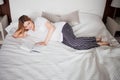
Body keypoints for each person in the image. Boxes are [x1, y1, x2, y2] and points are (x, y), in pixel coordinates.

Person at [13, 15, 110, 50]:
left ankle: (95, 38)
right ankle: (98, 43)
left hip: (62, 28)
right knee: (76, 47)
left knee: (74, 42)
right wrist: (21, 27)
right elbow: (15, 36)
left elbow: (51, 28)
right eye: (26, 26)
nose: (28, 26)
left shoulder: (39, 20)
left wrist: (45, 42)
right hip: (60, 38)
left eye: (28, 23)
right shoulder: (29, 32)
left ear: (30, 19)